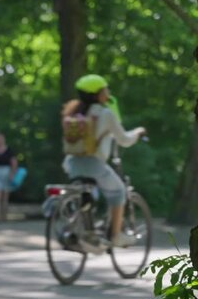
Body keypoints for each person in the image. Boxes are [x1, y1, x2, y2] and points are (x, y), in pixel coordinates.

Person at [62, 74, 147, 252]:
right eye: (105, 89)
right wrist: (138, 133)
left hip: (71, 164)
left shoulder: (74, 112)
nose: (108, 92)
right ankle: (115, 235)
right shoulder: (105, 113)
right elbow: (123, 139)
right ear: (98, 94)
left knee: (88, 195)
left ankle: (85, 233)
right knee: (119, 192)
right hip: (94, 164)